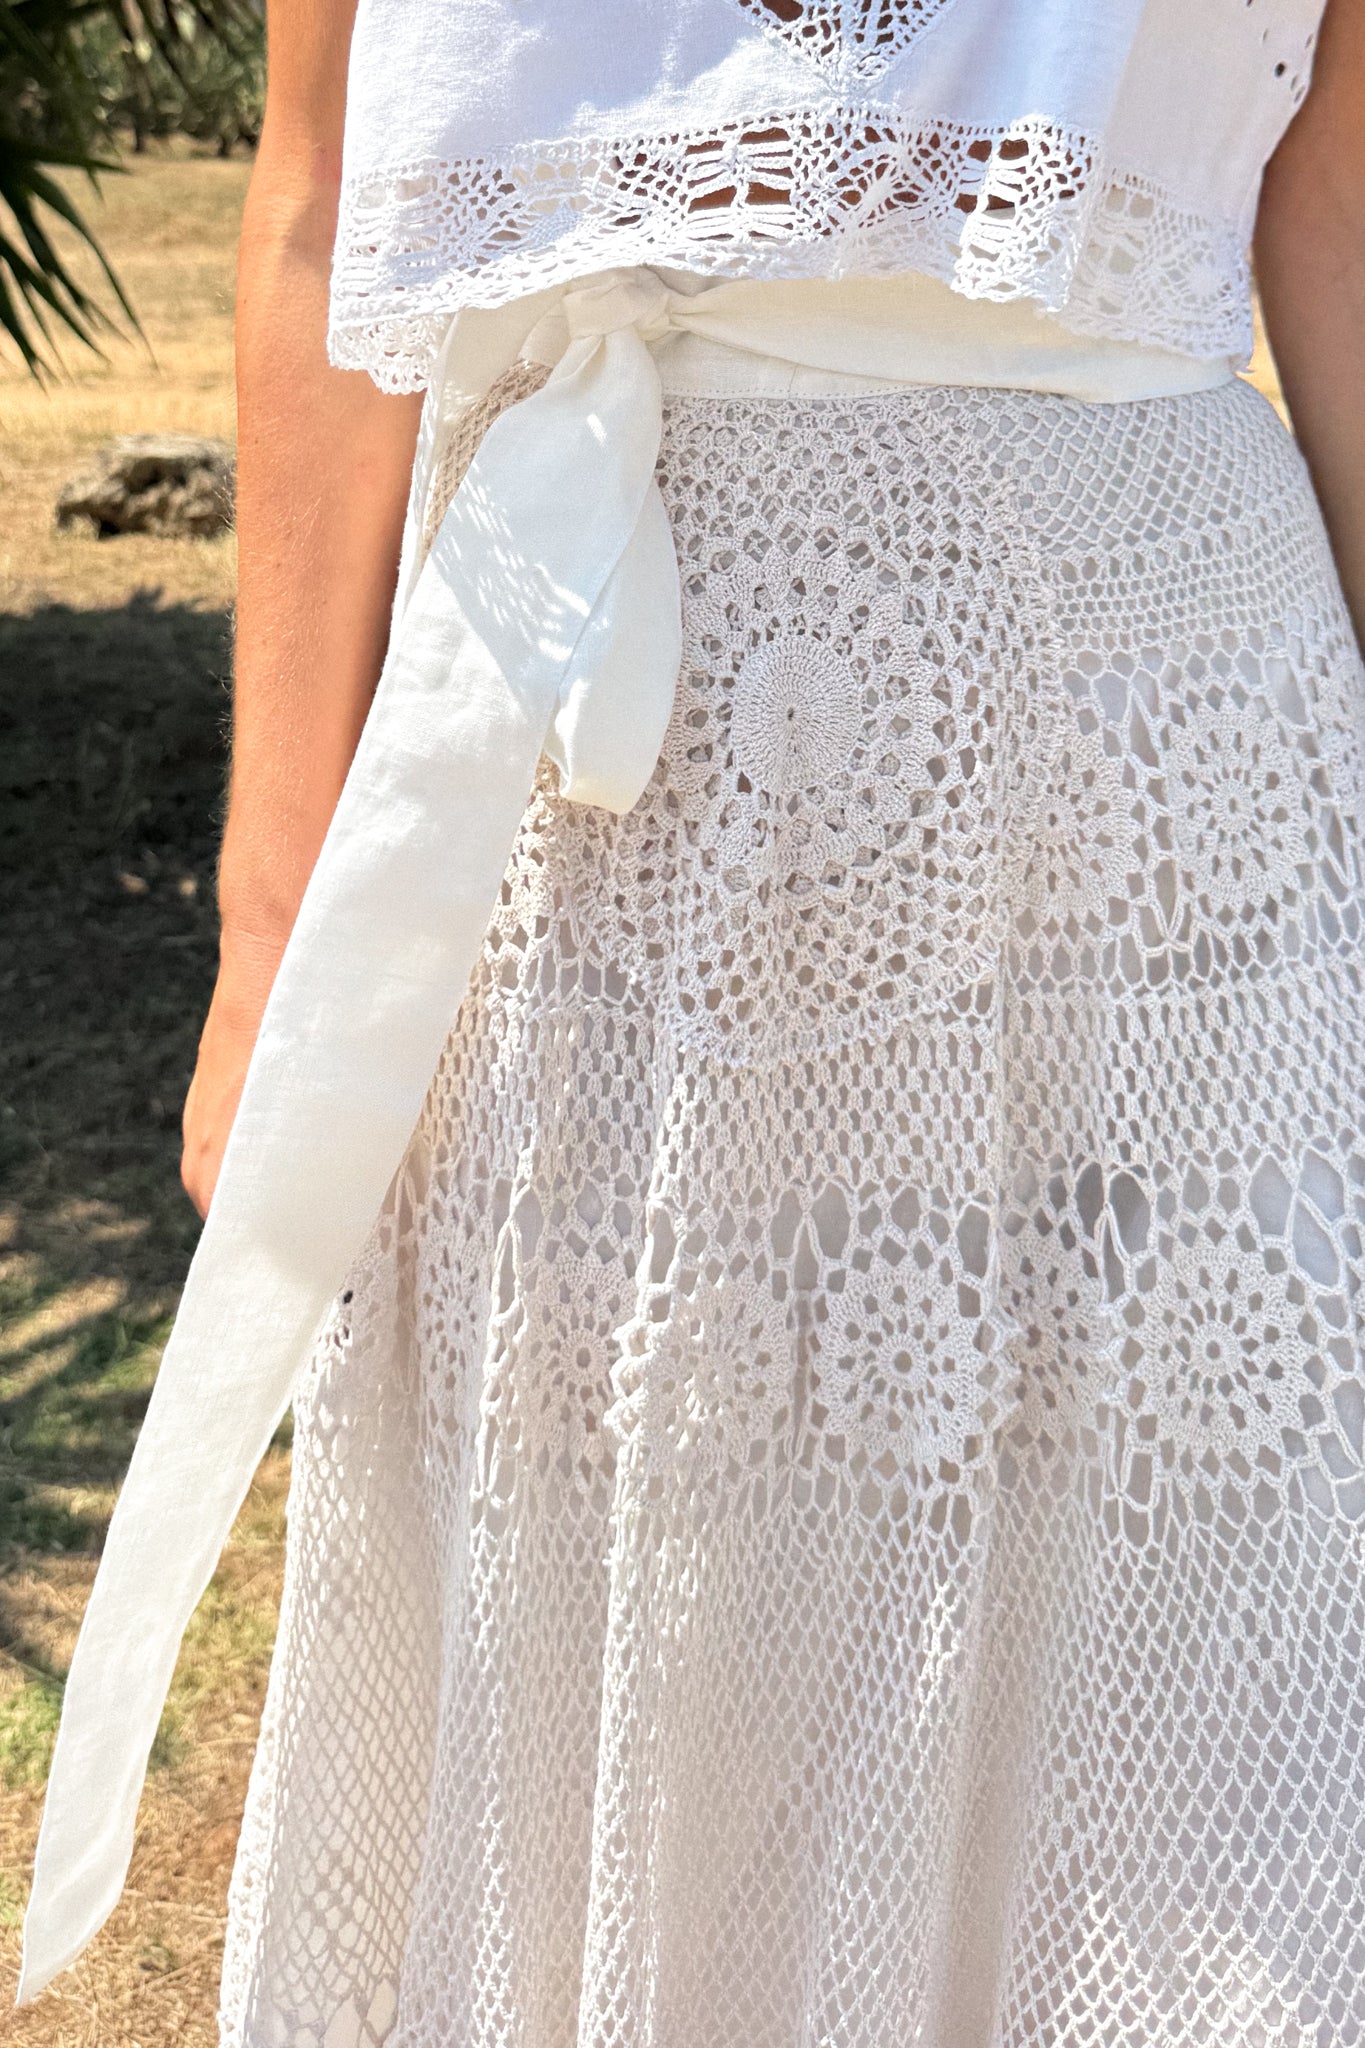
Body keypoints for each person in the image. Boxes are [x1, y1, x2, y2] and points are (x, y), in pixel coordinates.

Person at [18, 1, 1365, 2042]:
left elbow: (1334, 181)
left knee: (1170, 1696)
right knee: (635, 1637)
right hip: (574, 790)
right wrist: (270, 920)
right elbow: (321, 190)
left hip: (1151, 775)